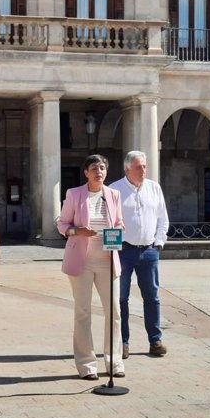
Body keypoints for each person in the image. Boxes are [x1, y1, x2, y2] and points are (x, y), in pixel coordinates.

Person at [57, 154, 126, 380]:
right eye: (95, 168)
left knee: (114, 311)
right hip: (82, 260)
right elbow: (62, 224)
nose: (99, 172)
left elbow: (119, 224)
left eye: (103, 168)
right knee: (83, 312)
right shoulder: (74, 194)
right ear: (86, 172)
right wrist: (78, 232)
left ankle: (114, 361)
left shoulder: (113, 195)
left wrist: (117, 234)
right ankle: (87, 365)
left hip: (107, 259)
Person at [110, 151, 169, 359]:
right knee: (122, 297)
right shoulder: (114, 190)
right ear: (127, 169)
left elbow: (163, 217)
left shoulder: (154, 188)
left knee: (152, 296)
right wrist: (113, 248)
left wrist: (159, 243)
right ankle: (123, 343)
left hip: (149, 250)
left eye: (144, 166)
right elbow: (109, 222)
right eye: (138, 167)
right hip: (123, 251)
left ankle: (155, 340)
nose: (143, 170)